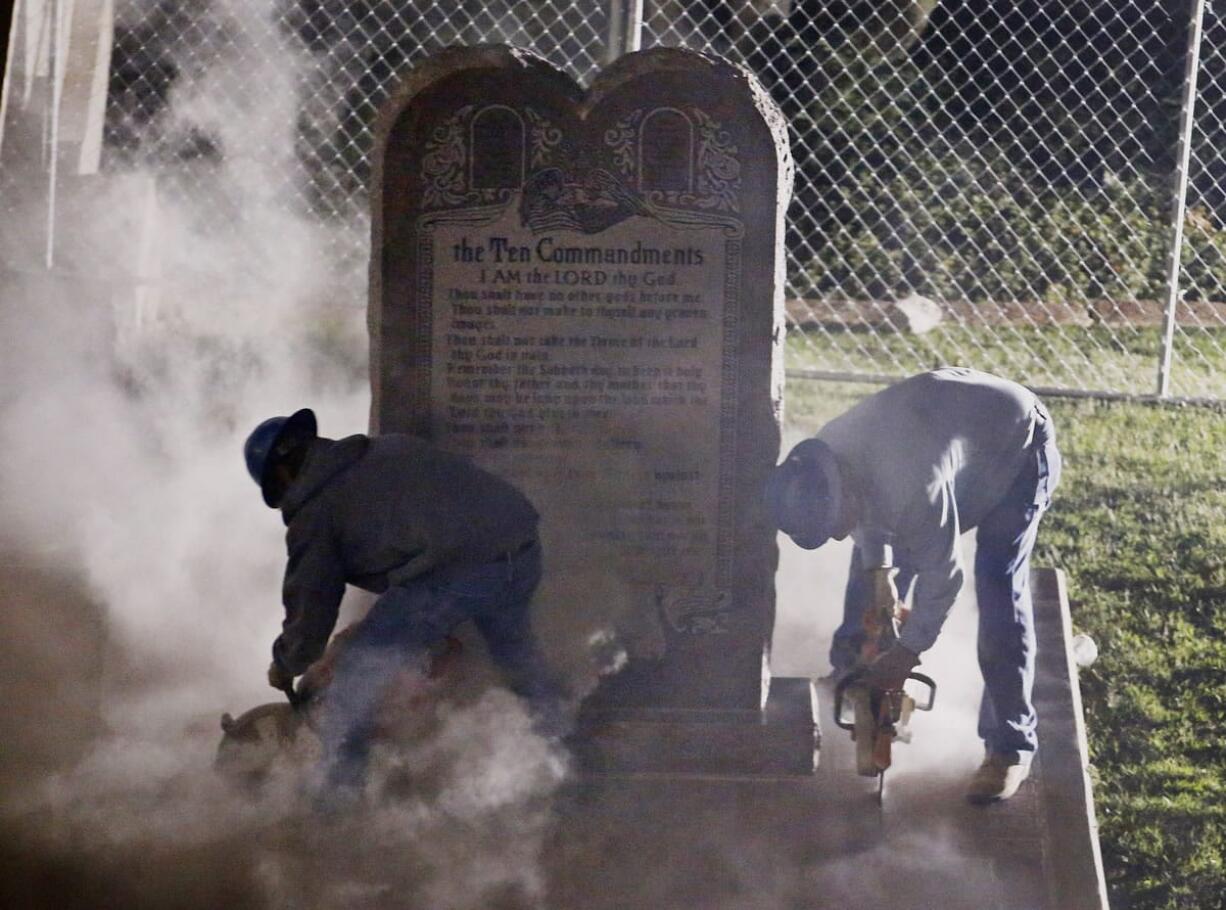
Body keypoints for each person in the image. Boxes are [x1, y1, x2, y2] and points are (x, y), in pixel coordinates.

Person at [767, 368, 1061, 803]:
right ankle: (854, 689)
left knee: (997, 585)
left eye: (833, 525)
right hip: (946, 434)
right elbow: (868, 513)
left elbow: (945, 580)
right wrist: (881, 574)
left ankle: (1010, 747)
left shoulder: (913, 486)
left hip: (1018, 446)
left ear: (838, 489)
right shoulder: (829, 453)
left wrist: (905, 655)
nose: (833, 535)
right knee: (868, 582)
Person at [244, 408, 560, 802]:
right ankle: (568, 766)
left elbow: (312, 609)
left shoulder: (315, 512)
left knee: (355, 681)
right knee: (518, 664)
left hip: (458, 572)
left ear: (282, 477)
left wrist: (286, 664)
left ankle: (336, 809)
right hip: (522, 548)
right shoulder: (388, 449)